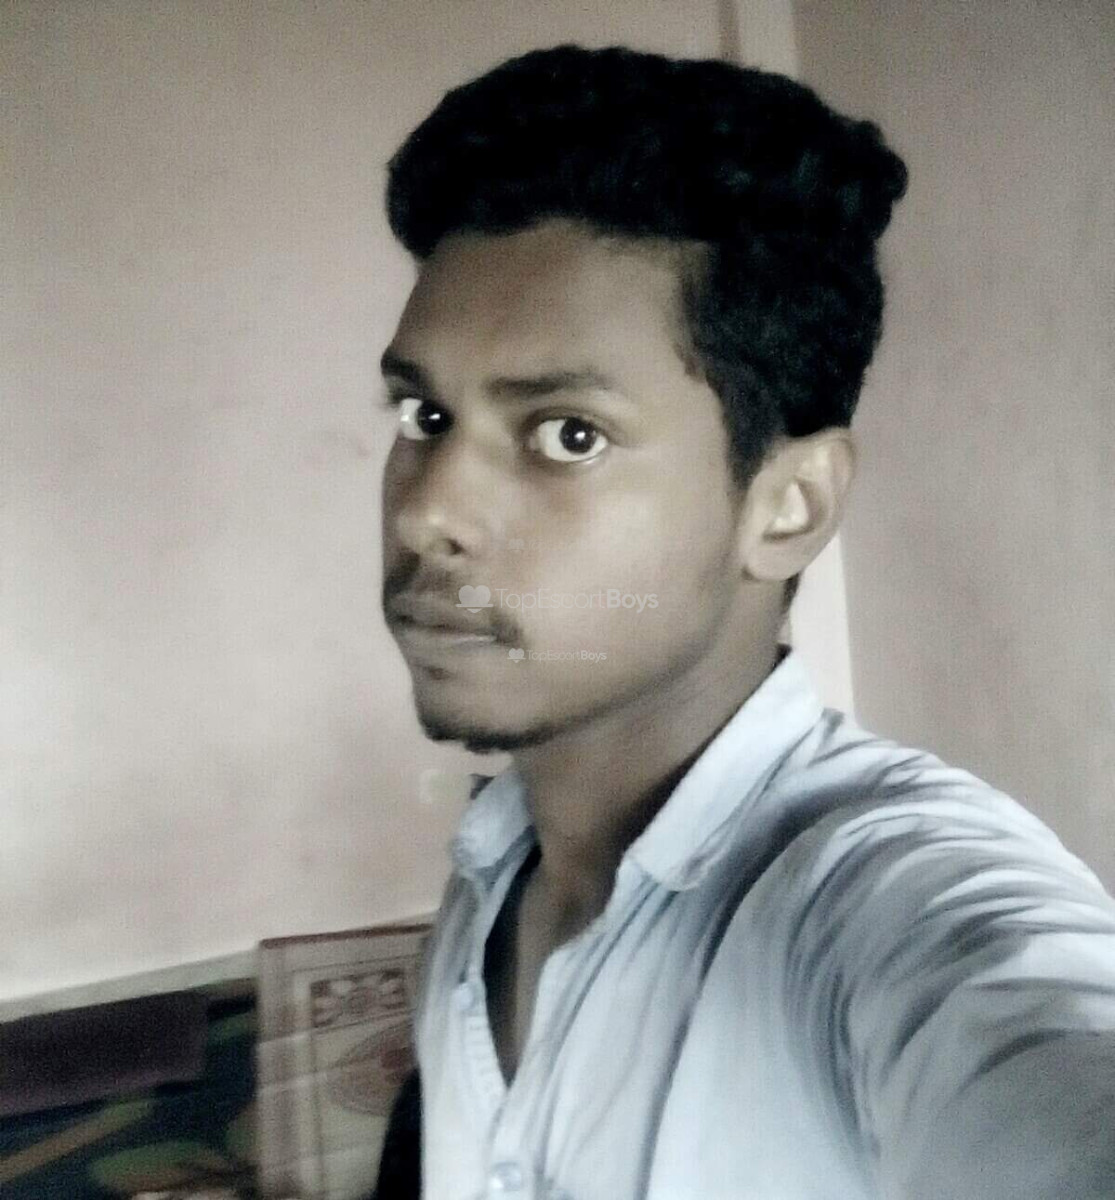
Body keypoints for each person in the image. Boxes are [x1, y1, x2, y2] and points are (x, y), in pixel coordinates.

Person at [372, 44, 1115, 1200]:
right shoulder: (492, 864)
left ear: (786, 507)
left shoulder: (881, 903)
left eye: (566, 434)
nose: (426, 512)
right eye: (424, 416)